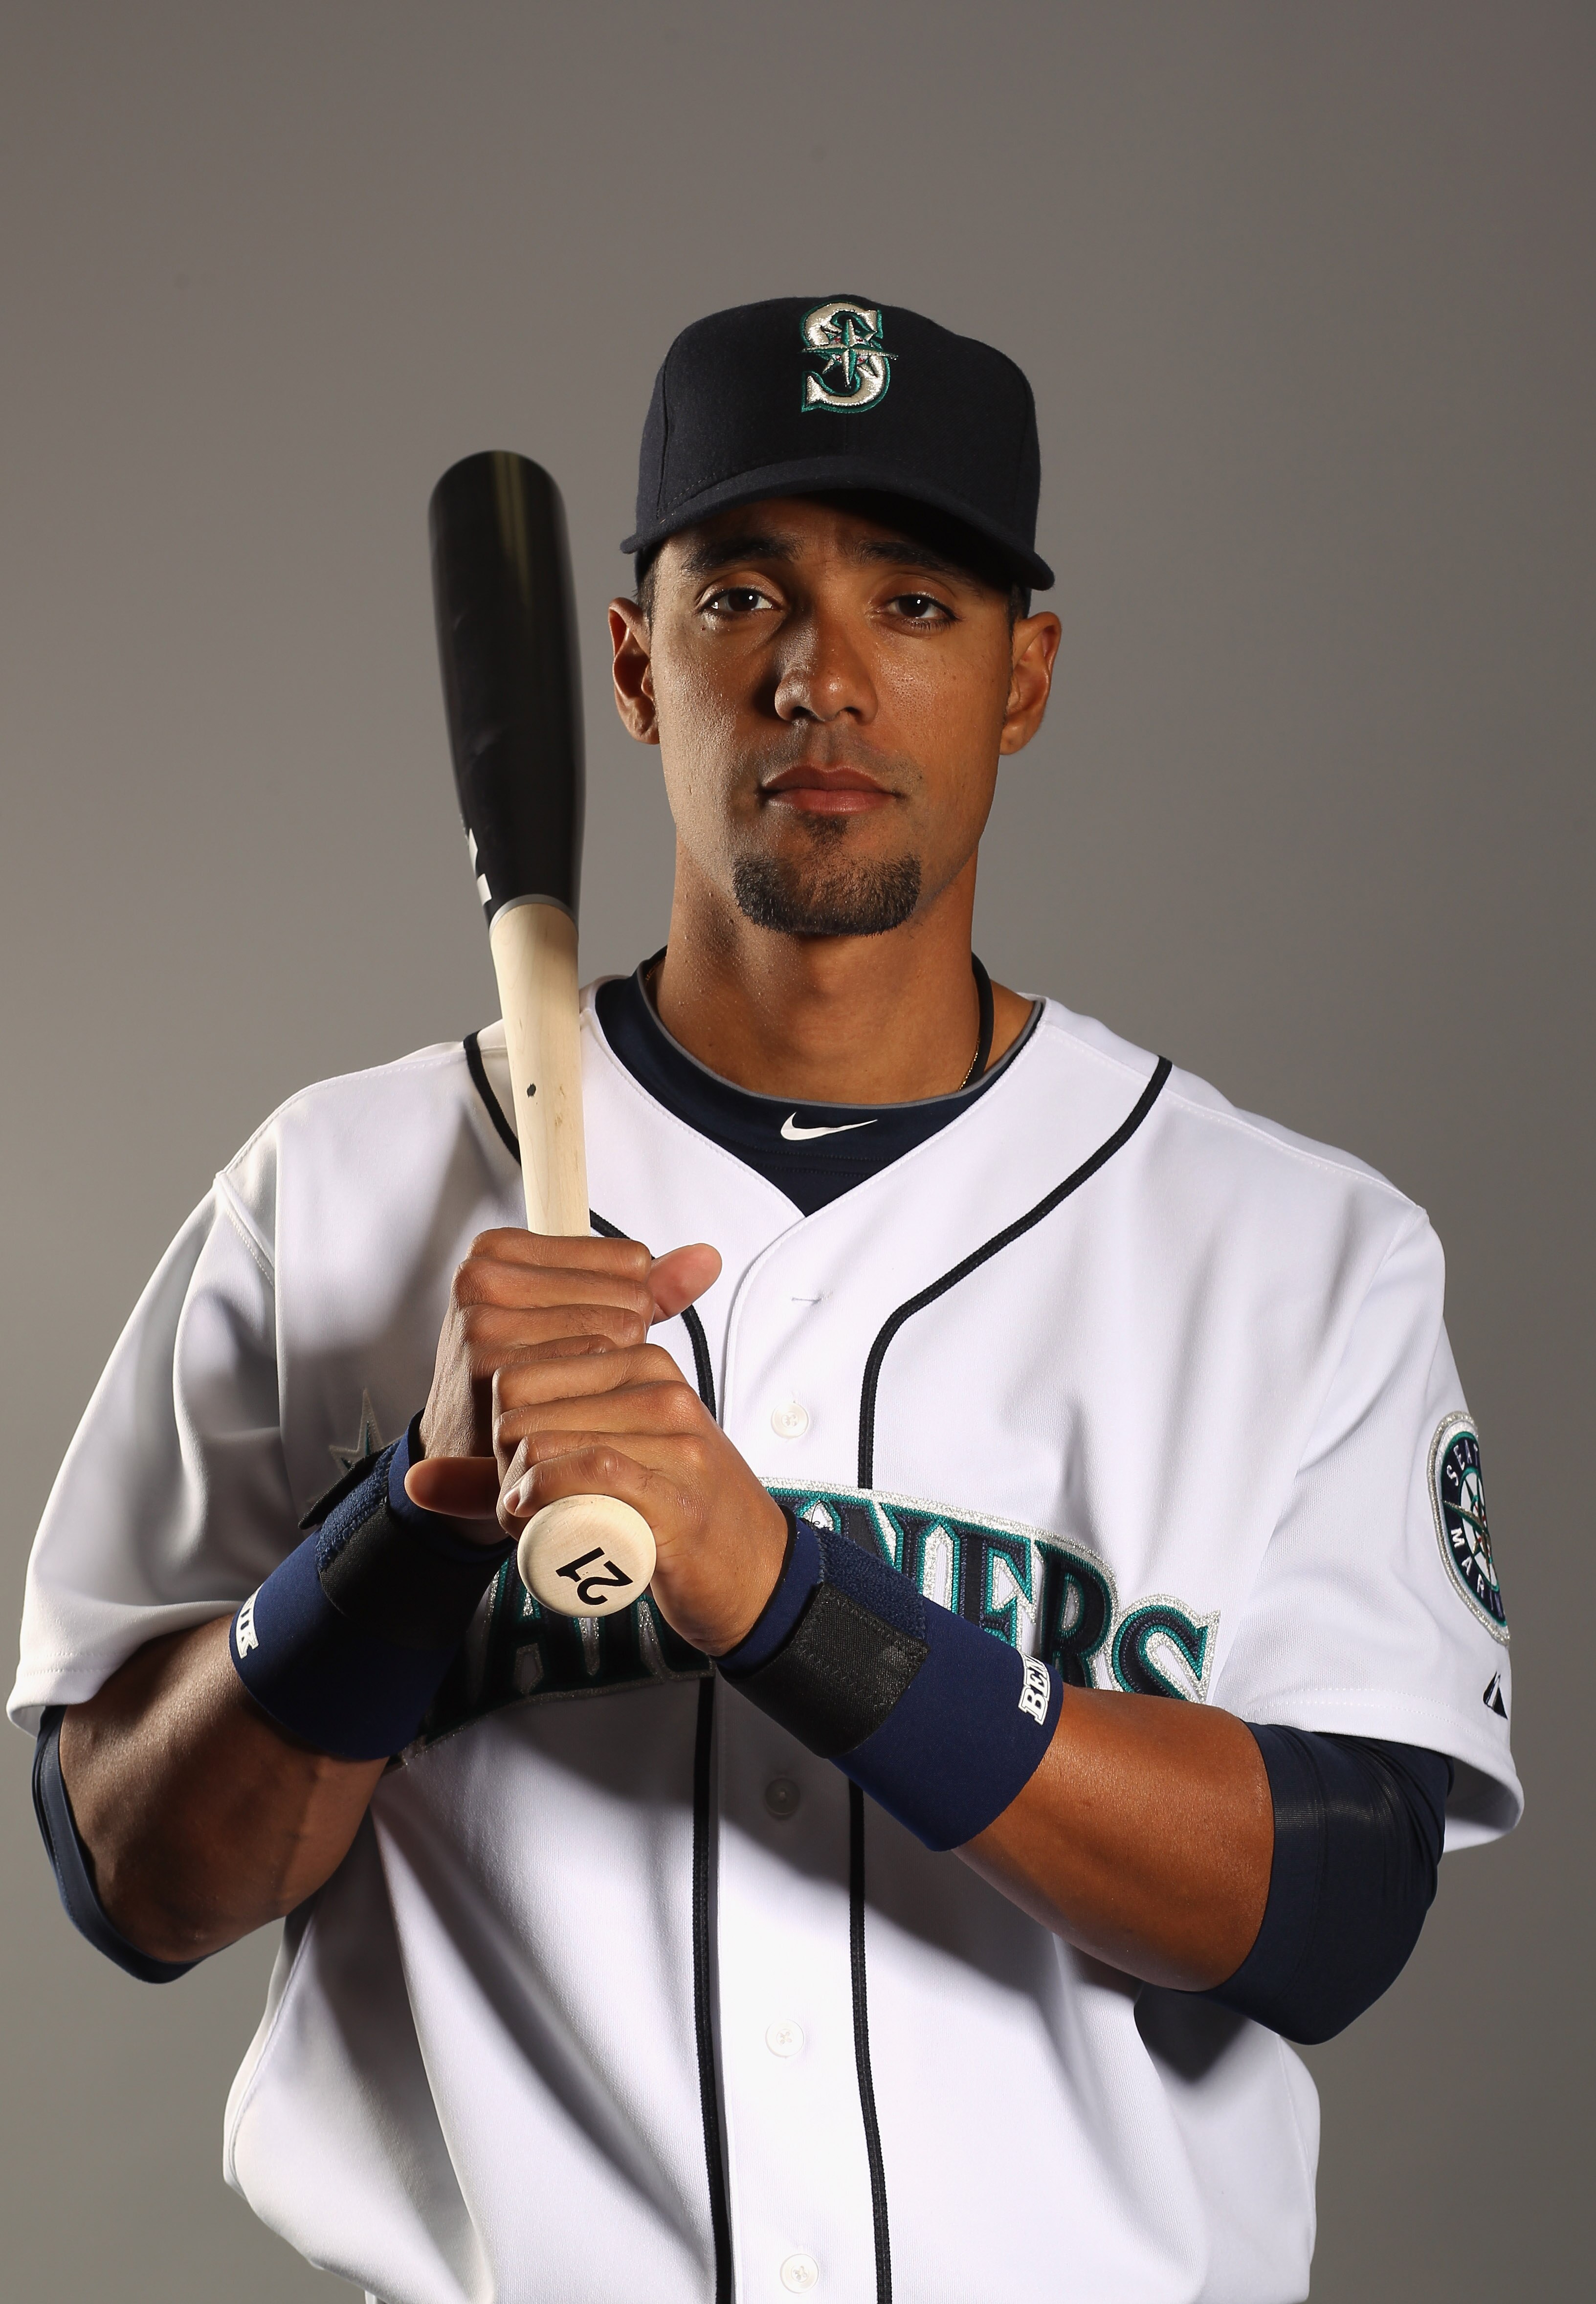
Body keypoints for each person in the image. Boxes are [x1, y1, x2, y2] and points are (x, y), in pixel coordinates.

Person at [12, 298, 1520, 2304]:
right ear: (633, 665)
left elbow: (1337, 1903)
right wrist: (404, 1528)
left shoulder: (1295, 1247)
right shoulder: (340, 1189)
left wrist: (798, 1602)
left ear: (1023, 678)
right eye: (746, 594)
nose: (824, 675)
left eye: (915, 602)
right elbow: (131, 1874)